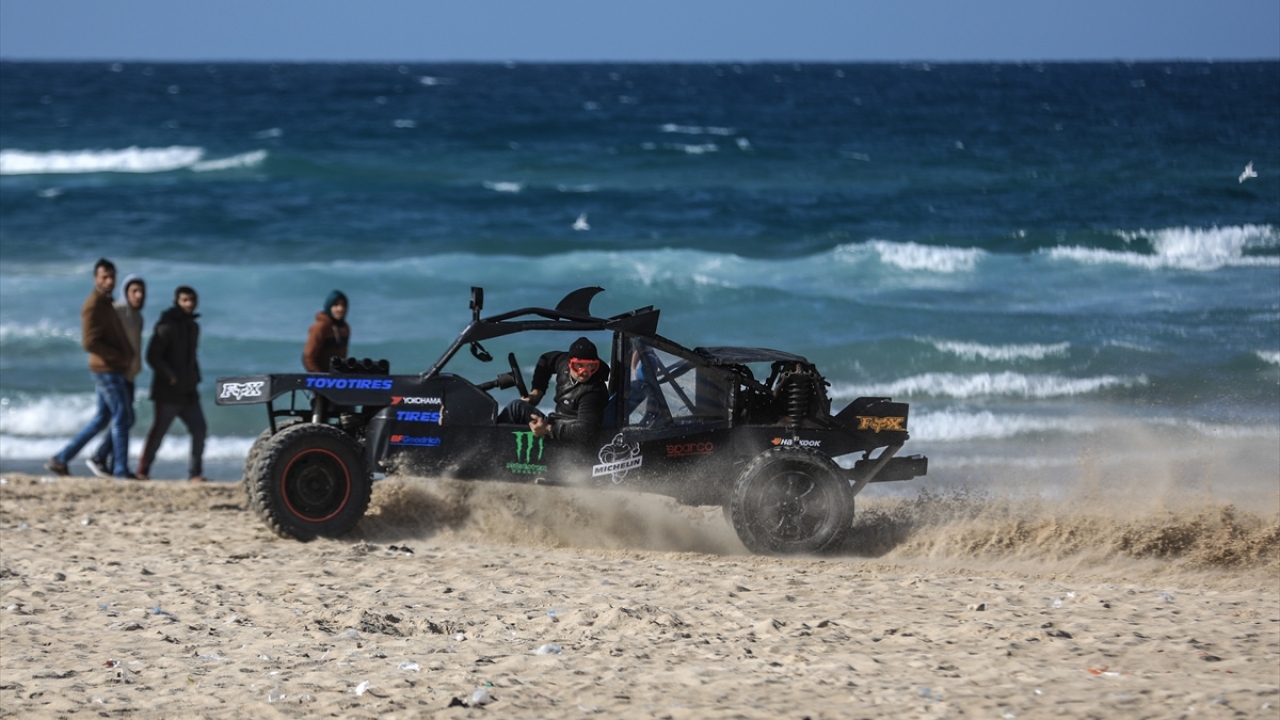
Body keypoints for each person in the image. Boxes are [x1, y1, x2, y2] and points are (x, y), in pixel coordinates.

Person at [45, 258, 137, 479]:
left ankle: (61, 458)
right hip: (106, 369)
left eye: (112, 276)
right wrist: (118, 356)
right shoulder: (93, 305)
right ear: (96, 278)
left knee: (103, 419)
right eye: (104, 277)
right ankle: (121, 469)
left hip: (111, 368)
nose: (109, 281)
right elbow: (89, 342)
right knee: (123, 417)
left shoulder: (105, 302)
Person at [137, 286, 207, 482]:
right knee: (158, 432)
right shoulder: (165, 325)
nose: (189, 304)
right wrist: (170, 376)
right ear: (177, 301)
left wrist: (195, 377)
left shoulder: (193, 327)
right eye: (185, 300)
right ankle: (143, 471)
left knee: (200, 430)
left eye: (192, 300)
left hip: (189, 391)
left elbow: (192, 357)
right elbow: (152, 356)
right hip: (168, 392)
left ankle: (195, 473)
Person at [85, 274, 145, 478]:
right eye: (134, 291)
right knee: (122, 418)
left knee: (111, 417)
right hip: (113, 371)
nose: (138, 295)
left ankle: (98, 457)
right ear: (125, 292)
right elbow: (98, 337)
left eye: (141, 291)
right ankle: (119, 469)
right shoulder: (116, 311)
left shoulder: (138, 317)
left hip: (128, 373)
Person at [498, 336, 610, 444]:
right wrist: (537, 392)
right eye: (578, 365)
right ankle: (494, 442)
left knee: (516, 408)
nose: (584, 372)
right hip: (555, 423)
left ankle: (491, 451)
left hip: (567, 441)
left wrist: (548, 429)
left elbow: (586, 432)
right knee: (516, 408)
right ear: (570, 363)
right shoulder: (563, 364)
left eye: (591, 366)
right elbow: (545, 361)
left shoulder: (592, 393)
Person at [303, 289, 350, 372]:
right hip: (321, 378)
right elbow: (308, 357)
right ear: (329, 306)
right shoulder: (319, 328)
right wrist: (319, 377)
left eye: (343, 305)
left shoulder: (345, 328)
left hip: (337, 377)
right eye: (336, 305)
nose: (340, 309)